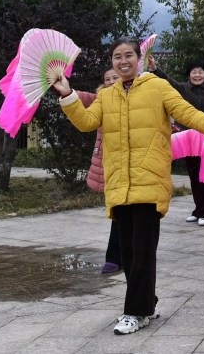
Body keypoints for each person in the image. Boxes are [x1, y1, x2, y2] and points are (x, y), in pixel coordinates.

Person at [50, 38, 204, 336]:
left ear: (139, 58)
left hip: (149, 180)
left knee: (142, 250)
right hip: (120, 184)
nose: (123, 61)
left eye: (128, 55)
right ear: (111, 62)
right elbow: (87, 122)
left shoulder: (157, 87)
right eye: (117, 57)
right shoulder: (107, 95)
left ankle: (134, 312)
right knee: (128, 253)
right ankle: (147, 302)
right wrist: (67, 95)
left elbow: (187, 112)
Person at [148, 57, 204, 227]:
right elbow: (167, 81)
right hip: (189, 140)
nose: (197, 75)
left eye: (200, 72)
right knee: (194, 177)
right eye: (194, 72)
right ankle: (197, 210)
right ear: (189, 74)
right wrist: (155, 69)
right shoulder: (182, 89)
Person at [83, 68, 122, 274]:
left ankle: (121, 256)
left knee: (128, 213)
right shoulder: (101, 99)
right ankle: (114, 257)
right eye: (106, 79)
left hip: (132, 165)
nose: (110, 82)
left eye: (114, 78)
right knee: (117, 209)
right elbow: (81, 98)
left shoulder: (137, 97)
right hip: (110, 165)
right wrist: (61, 89)